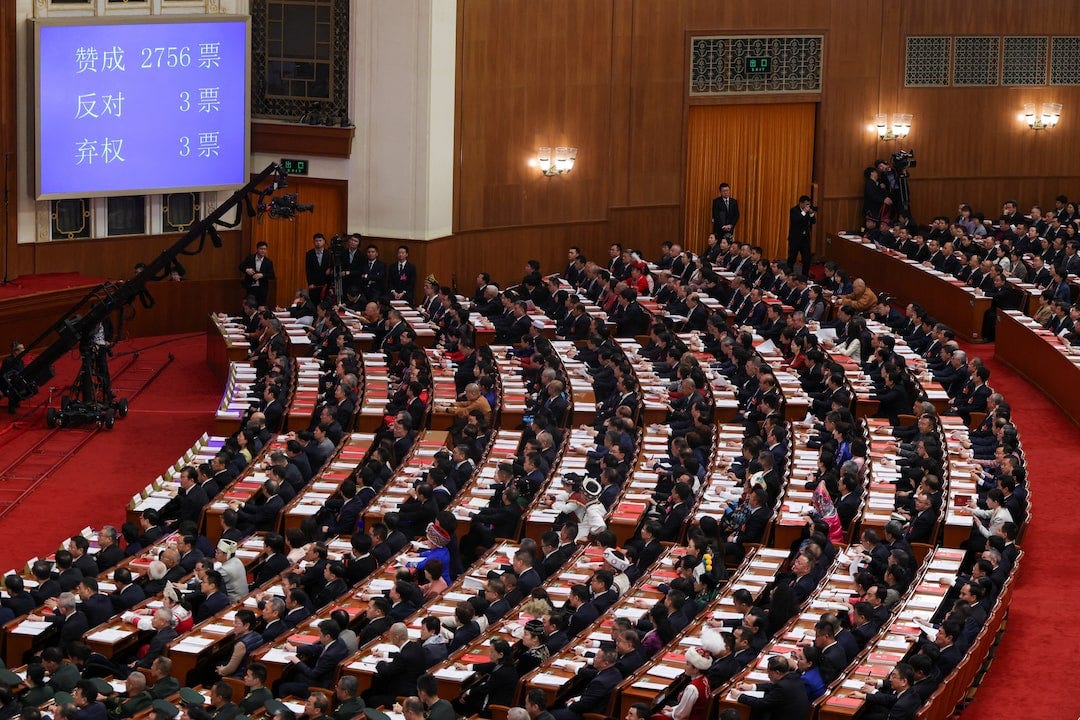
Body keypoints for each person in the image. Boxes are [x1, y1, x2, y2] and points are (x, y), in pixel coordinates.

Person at [650, 646, 711, 720]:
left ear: (696, 669)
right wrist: (673, 709)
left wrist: (667, 713)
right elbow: (685, 707)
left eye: (687, 664)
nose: (684, 666)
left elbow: (682, 716)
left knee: (654, 716)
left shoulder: (692, 688)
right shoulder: (704, 679)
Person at [239, 241, 276, 307]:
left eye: (265, 249)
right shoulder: (250, 258)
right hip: (250, 287)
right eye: (261, 249)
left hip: (262, 289)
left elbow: (272, 275)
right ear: (257, 249)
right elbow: (240, 266)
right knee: (250, 306)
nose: (263, 251)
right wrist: (247, 270)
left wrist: (262, 275)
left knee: (261, 307)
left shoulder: (268, 262)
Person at [787, 195, 816, 271]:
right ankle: (788, 274)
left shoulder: (808, 210)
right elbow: (796, 220)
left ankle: (805, 275)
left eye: (808, 204)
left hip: (805, 239)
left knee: (806, 259)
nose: (808, 206)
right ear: (801, 203)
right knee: (792, 258)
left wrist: (811, 214)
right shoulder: (794, 210)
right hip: (795, 239)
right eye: (806, 204)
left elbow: (813, 221)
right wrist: (804, 212)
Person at [305, 234, 333, 305]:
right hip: (314, 284)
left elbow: (332, 266)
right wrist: (310, 283)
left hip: (326, 283)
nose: (318, 242)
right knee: (314, 303)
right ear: (314, 242)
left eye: (320, 240)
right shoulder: (309, 253)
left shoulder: (329, 253)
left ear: (324, 241)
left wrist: (330, 269)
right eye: (316, 241)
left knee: (325, 304)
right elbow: (308, 270)